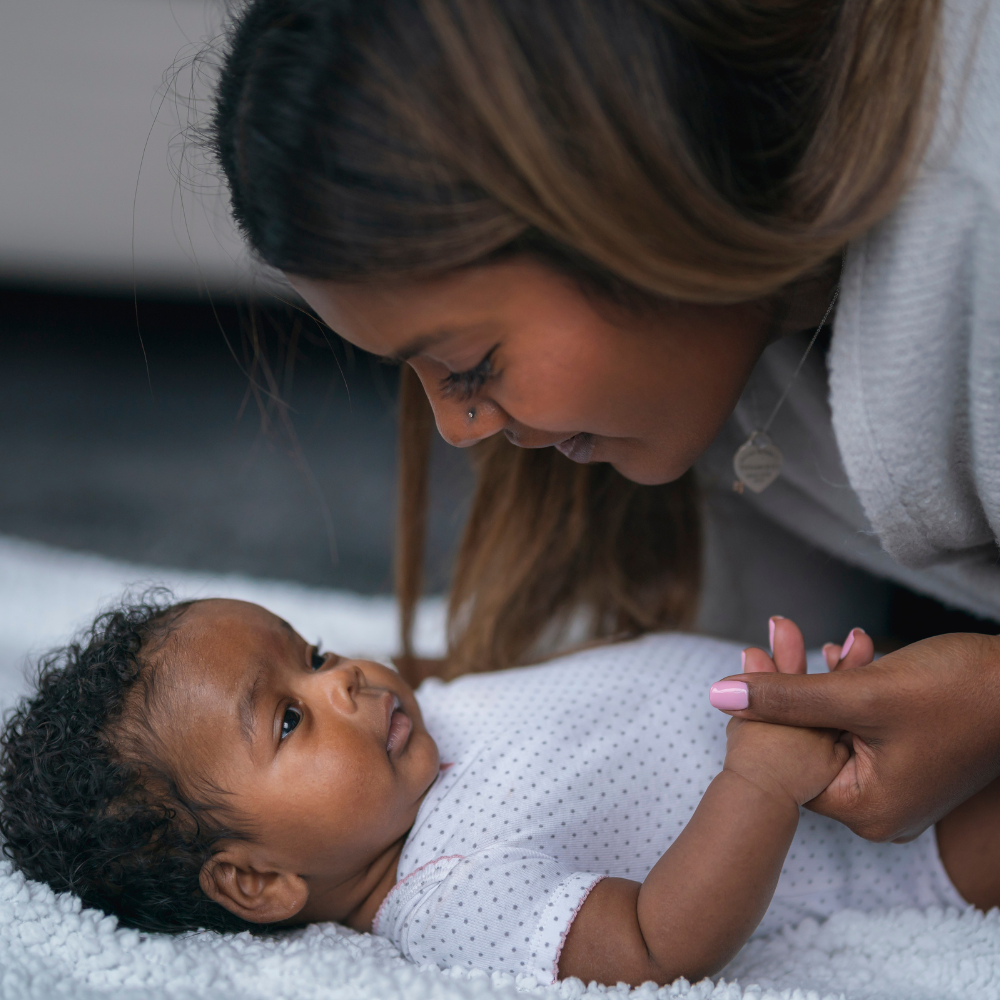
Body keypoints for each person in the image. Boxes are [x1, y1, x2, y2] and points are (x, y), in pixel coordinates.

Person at [207, 0, 1000, 845]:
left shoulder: (977, 220)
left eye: (470, 364)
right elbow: (731, 647)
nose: (456, 429)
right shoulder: (704, 366)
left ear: (633, 196)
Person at [3, 595, 997, 986]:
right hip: (898, 842)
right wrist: (761, 779)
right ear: (257, 880)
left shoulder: (413, 737)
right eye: (289, 720)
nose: (343, 681)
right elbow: (652, 945)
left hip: (845, 700)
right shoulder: (446, 892)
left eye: (315, 652)